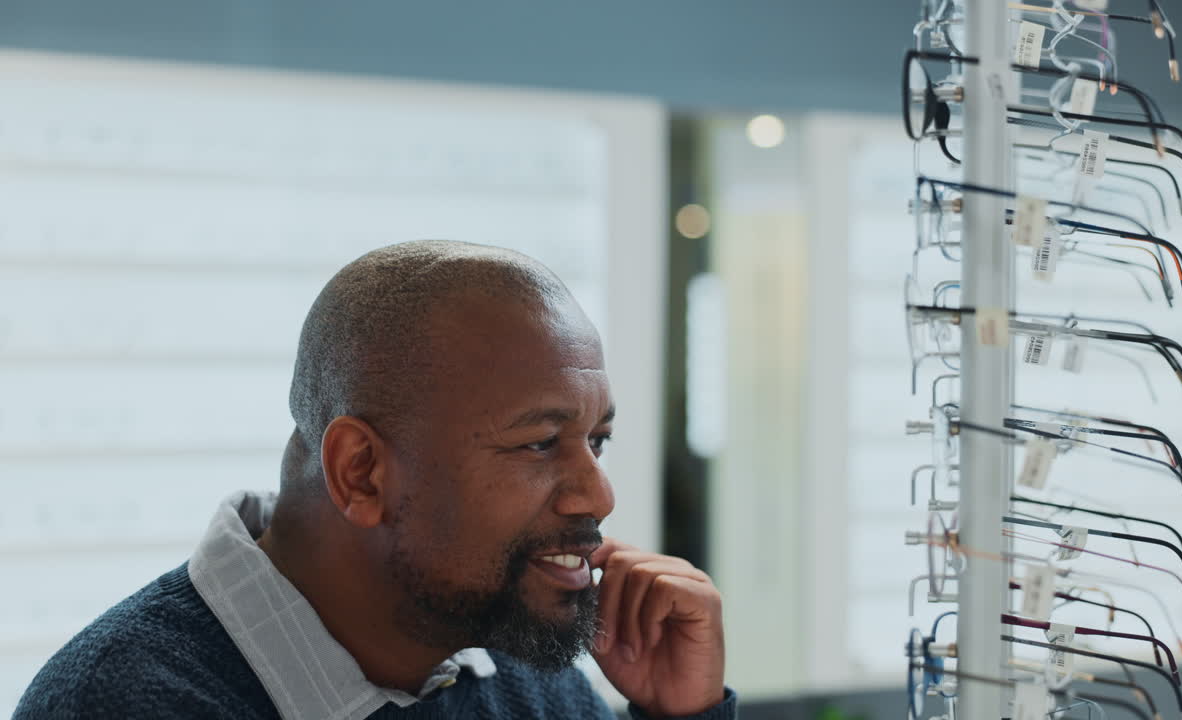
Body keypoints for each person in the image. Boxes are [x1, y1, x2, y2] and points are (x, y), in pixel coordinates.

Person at [15, 240, 735, 719]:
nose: (598, 494)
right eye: (541, 443)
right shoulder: (122, 703)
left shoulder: (520, 673)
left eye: (597, 440)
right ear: (360, 473)